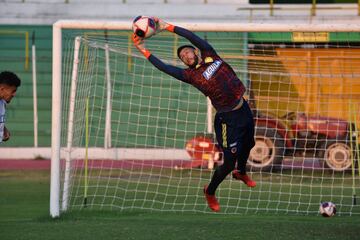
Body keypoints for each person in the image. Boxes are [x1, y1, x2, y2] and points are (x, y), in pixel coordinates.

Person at [132, 18, 256, 212]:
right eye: (182, 56)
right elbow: (163, 67)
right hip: (226, 119)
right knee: (228, 161)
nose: (186, 56)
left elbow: (191, 36)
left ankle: (241, 172)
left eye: (188, 52)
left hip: (243, 107)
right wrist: (142, 49)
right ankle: (210, 191)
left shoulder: (210, 54)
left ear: (196, 51)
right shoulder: (190, 76)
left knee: (249, 144)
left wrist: (167, 26)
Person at [0, 71, 21, 143]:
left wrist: (3, 129)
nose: (14, 94)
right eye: (13, 91)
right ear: (2, 89)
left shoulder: (3, 103)